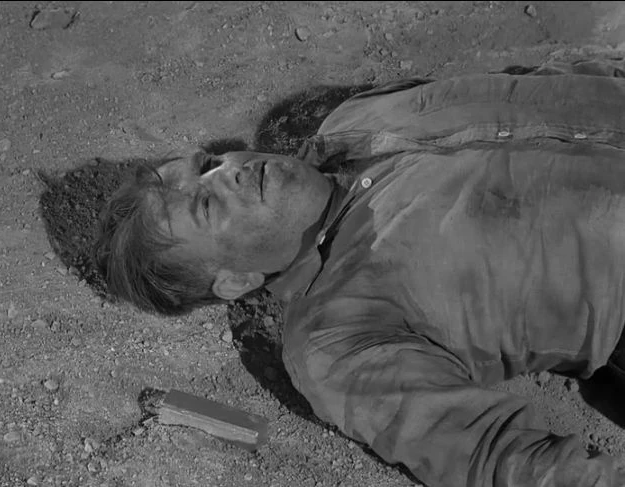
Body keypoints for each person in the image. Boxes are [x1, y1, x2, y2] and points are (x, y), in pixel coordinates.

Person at [95, 59, 625, 486]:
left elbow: (536, 81)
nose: (230, 170)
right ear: (234, 280)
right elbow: (490, 456)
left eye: (209, 163)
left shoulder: (353, 120)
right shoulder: (334, 341)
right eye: (208, 205)